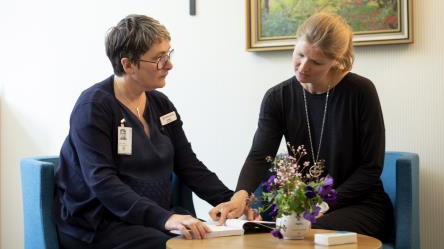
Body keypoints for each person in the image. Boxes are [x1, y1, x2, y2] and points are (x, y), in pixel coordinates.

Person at [54, 14, 234, 249]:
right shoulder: (93, 107)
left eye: (168, 54)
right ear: (127, 64)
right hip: (100, 223)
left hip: (152, 219)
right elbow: (102, 181)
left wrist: (228, 201)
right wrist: (166, 219)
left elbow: (188, 164)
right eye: (159, 58)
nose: (169, 65)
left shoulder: (161, 105)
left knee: (221, 240)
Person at [210, 12, 394, 241]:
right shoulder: (278, 97)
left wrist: (320, 206)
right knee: (255, 230)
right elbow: (260, 155)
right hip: (300, 207)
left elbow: (370, 168)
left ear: (336, 60)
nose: (303, 67)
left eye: (316, 62)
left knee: (302, 233)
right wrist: (240, 197)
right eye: (300, 54)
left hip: (359, 204)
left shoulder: (361, 92)